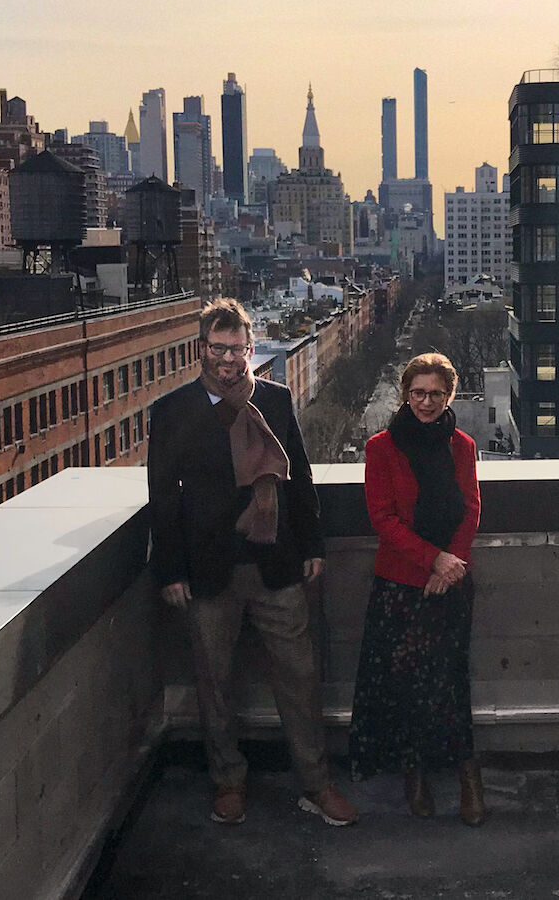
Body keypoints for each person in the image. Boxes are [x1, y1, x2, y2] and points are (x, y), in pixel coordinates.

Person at [148, 298, 357, 828]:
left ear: (249, 347)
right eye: (217, 349)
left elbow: (301, 479)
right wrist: (169, 570)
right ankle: (228, 782)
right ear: (201, 349)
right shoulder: (173, 411)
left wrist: (312, 545)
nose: (227, 359)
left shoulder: (277, 400)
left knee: (300, 677)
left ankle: (316, 783)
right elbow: (163, 497)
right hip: (208, 570)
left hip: (276, 562)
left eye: (236, 348)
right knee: (214, 682)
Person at [348, 353, 484, 825]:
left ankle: (468, 777)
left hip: (452, 583)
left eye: (436, 394)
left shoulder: (462, 445)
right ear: (406, 393)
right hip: (400, 586)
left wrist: (450, 566)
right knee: (406, 684)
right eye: (418, 393)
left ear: (449, 397)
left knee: (450, 679)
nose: (426, 402)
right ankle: (416, 774)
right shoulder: (381, 448)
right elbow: (382, 519)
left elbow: (470, 509)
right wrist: (434, 559)